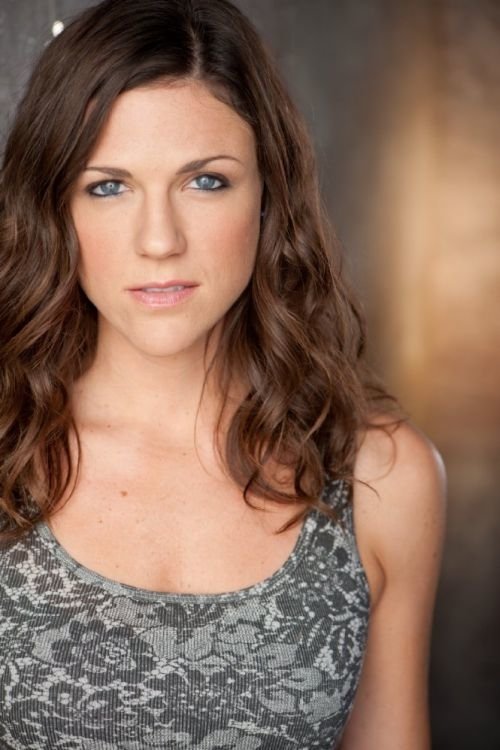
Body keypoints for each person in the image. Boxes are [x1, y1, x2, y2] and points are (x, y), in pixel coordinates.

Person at [0, 0, 446, 747]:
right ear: (55, 208)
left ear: (269, 193)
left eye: (205, 181)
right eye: (107, 186)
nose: (159, 240)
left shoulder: (382, 476)